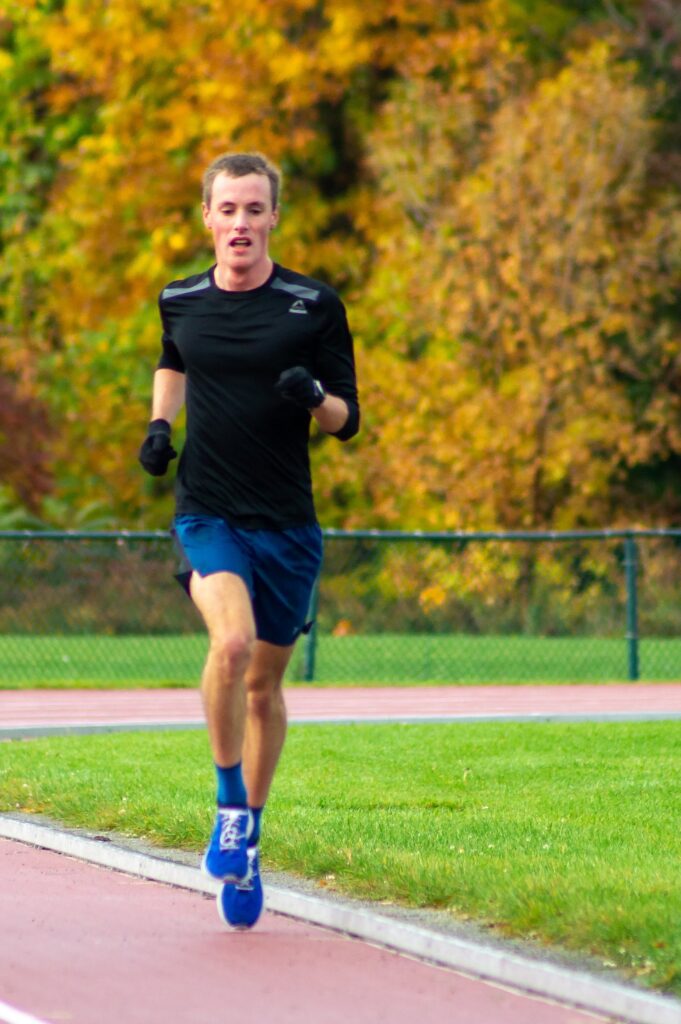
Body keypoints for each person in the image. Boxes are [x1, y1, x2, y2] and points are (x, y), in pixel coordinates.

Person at [138, 152, 359, 930]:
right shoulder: (179, 299)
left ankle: (251, 837)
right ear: (206, 215)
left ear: (272, 218)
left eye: (253, 210)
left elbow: (346, 421)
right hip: (208, 510)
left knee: (264, 688)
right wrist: (160, 426)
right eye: (226, 209)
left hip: (288, 525)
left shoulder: (312, 305)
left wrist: (314, 397)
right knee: (228, 648)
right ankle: (228, 808)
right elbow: (175, 361)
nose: (240, 224)